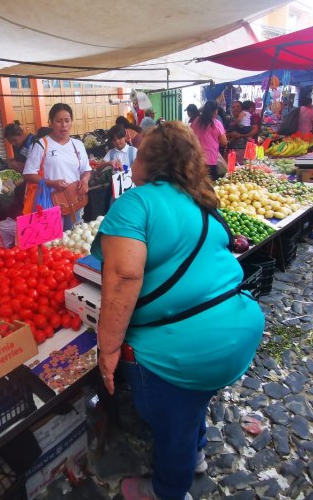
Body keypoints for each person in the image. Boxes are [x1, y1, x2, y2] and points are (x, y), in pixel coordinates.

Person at [93, 121, 264, 500]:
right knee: (191, 402)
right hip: (236, 327)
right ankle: (196, 452)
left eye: (138, 150)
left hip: (185, 348)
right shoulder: (196, 197)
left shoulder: (135, 203)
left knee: (172, 425)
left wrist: (107, 351)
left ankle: (168, 489)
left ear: (149, 161)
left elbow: (122, 277)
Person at [23, 103, 92, 229]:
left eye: (67, 120)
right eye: (59, 121)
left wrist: (85, 180)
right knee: (52, 244)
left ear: (72, 121)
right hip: (48, 203)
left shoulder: (78, 145)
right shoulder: (41, 145)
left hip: (74, 200)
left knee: (73, 238)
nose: (64, 125)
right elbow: (28, 174)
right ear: (51, 122)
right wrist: (51, 182)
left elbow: (86, 169)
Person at [190, 100, 227, 180]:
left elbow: (190, 135)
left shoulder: (196, 121)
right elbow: (224, 142)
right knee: (210, 184)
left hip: (196, 158)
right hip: (210, 158)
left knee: (197, 183)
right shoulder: (216, 123)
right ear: (215, 110)